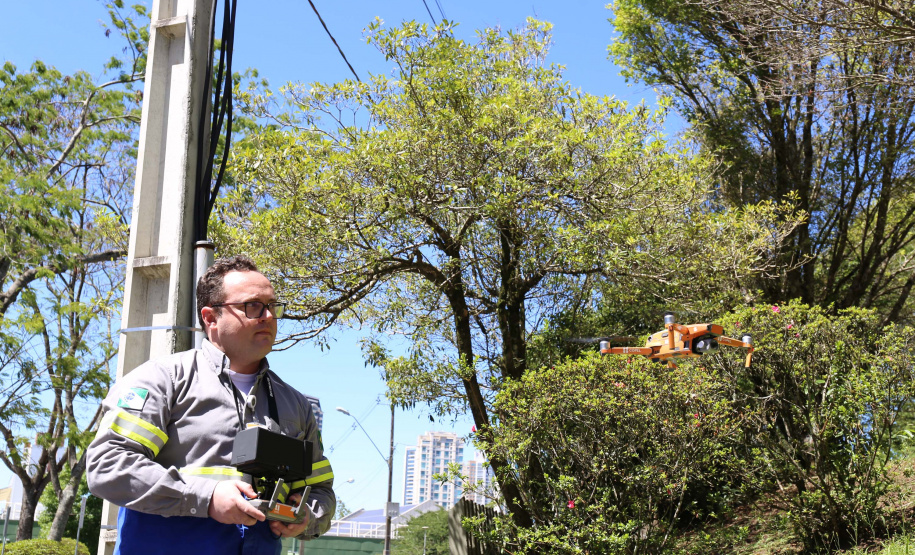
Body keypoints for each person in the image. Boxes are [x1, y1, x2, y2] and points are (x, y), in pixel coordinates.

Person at [88, 255, 335, 555]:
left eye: (272, 306)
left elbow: (320, 489)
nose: (268, 316)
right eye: (253, 306)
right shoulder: (164, 380)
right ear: (210, 318)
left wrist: (307, 515)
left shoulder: (295, 404)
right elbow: (108, 465)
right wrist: (206, 496)